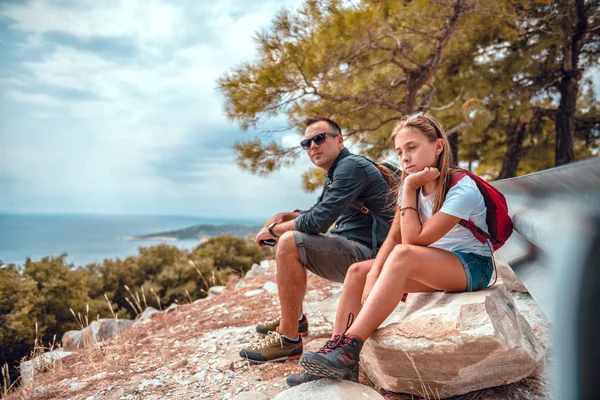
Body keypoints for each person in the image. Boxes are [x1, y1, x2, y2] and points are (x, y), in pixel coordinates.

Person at [297, 112, 495, 383]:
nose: (404, 157)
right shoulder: (409, 186)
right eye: (400, 151)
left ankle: (350, 347)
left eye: (412, 148)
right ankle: (336, 354)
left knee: (403, 254)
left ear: (438, 146)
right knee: (357, 272)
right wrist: (372, 276)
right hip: (434, 265)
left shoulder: (462, 189)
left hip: (472, 266)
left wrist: (411, 187)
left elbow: (413, 240)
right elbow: (393, 238)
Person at [238, 117, 395, 371]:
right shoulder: (337, 170)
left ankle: (288, 339)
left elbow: (317, 222)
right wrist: (286, 216)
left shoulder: (351, 166)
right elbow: (318, 210)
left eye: (319, 138)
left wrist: (274, 230)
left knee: (289, 242)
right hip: (355, 247)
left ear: (340, 140)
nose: (313, 146)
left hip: (371, 258)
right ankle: (296, 319)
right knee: (290, 236)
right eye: (306, 143)